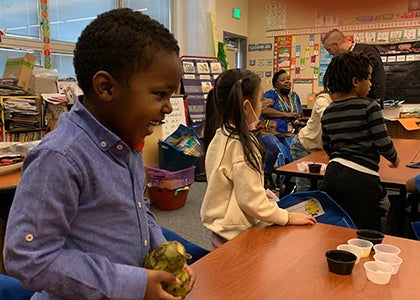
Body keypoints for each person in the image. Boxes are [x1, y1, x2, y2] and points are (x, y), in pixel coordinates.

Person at [3, 8, 195, 300]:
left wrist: (164, 255)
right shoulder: (60, 158)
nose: (168, 107)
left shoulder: (125, 142)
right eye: (160, 94)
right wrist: (130, 283)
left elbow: (139, 211)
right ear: (106, 87)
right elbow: (27, 257)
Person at [201, 68, 316, 248]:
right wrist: (287, 217)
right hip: (239, 235)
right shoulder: (243, 146)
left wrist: (261, 192)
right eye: (261, 99)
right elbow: (251, 202)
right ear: (247, 106)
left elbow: (233, 184)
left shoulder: (220, 134)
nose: (262, 104)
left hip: (223, 229)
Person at [319, 51, 400, 231]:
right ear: (356, 82)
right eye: (369, 79)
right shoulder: (369, 106)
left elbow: (327, 145)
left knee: (336, 226)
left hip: (333, 174)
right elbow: (382, 142)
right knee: (367, 229)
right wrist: (394, 159)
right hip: (361, 178)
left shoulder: (329, 110)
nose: (371, 85)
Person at [259, 69, 303, 189]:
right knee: (274, 145)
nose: (287, 82)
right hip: (269, 130)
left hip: (289, 132)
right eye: (282, 80)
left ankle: (284, 178)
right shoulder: (271, 95)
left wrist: (297, 118)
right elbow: (263, 110)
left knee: (297, 147)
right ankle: (267, 174)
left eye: (288, 79)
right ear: (276, 84)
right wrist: (286, 114)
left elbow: (298, 112)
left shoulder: (294, 96)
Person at [321, 28, 386, 107]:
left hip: (369, 103)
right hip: (350, 105)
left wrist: (376, 101)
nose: (329, 53)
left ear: (336, 45)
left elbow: (376, 78)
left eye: (329, 49)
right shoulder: (341, 60)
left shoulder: (367, 51)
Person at [289, 91, 333, 191]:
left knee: (321, 183)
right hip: (303, 145)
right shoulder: (323, 100)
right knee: (305, 184)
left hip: (319, 149)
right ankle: (300, 205)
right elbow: (330, 118)